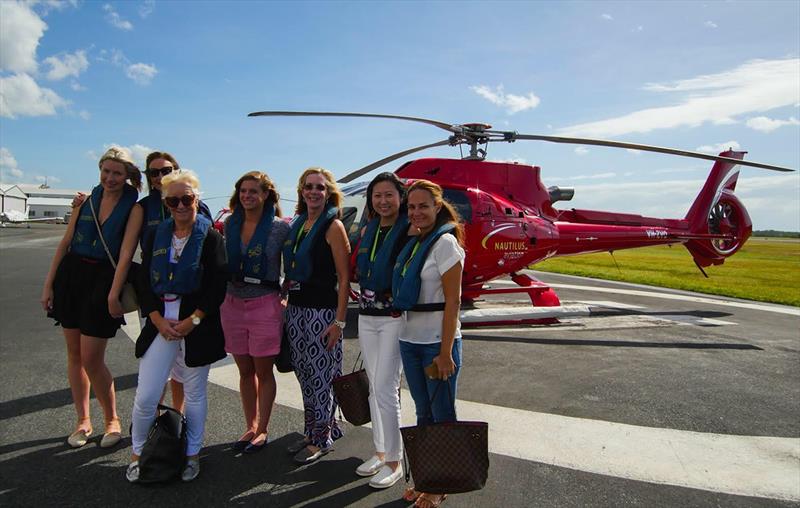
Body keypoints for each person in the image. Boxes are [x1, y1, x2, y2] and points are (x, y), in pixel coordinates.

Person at [71, 151, 215, 411]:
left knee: (184, 362)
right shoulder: (143, 206)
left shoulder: (196, 205)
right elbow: (125, 247)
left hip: (191, 295)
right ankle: (154, 415)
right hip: (155, 294)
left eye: (167, 170)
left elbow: (214, 257)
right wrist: (81, 202)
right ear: (148, 177)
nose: (161, 176)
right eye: (154, 172)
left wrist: (198, 315)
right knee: (155, 361)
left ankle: (176, 415)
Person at [126, 170, 227, 483]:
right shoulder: (157, 234)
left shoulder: (210, 237)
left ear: (196, 199)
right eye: (174, 200)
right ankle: (138, 453)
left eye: (187, 199)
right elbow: (144, 281)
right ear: (166, 203)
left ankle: (192, 454)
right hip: (160, 321)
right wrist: (156, 318)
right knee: (146, 396)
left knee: (195, 394)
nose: (181, 205)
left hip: (196, 323)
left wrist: (193, 320)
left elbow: (217, 284)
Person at [41, 147, 142, 449]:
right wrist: (49, 285)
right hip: (72, 276)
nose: (110, 178)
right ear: (100, 170)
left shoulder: (133, 207)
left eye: (117, 173)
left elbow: (126, 253)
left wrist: (114, 291)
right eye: (106, 171)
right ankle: (82, 420)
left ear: (127, 177)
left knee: (91, 358)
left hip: (103, 278)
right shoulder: (84, 202)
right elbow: (66, 242)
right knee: (74, 355)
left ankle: (112, 419)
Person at [393, 179, 465, 508]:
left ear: (437, 207)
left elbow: (453, 303)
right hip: (409, 339)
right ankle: (426, 478)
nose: (416, 212)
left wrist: (446, 352)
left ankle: (441, 484)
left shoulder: (445, 244)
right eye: (411, 207)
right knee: (423, 414)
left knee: (443, 415)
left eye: (423, 206)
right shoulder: (416, 243)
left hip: (436, 343)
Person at [282, 167, 350, 464]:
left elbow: (345, 279)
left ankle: (321, 439)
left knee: (323, 377)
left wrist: (339, 321)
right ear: (301, 191)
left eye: (320, 188)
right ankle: (313, 430)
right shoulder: (300, 224)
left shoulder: (333, 227)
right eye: (308, 186)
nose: (313, 192)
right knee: (305, 375)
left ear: (329, 192)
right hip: (296, 310)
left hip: (322, 313)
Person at [221, 171, 290, 453]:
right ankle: (250, 426)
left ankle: (263, 429)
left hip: (264, 302)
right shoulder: (229, 224)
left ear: (266, 195)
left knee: (264, 371)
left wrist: (284, 297)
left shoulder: (279, 228)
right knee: (244, 370)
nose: (247, 196)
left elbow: (292, 267)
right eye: (243, 191)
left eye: (253, 191)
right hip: (233, 303)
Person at [354, 172, 410, 488]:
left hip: (393, 318)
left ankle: (395, 459)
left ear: (400, 198)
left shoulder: (409, 230)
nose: (383, 201)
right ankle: (379, 450)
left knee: (387, 388)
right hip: (366, 316)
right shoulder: (370, 229)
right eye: (377, 196)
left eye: (389, 195)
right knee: (374, 386)